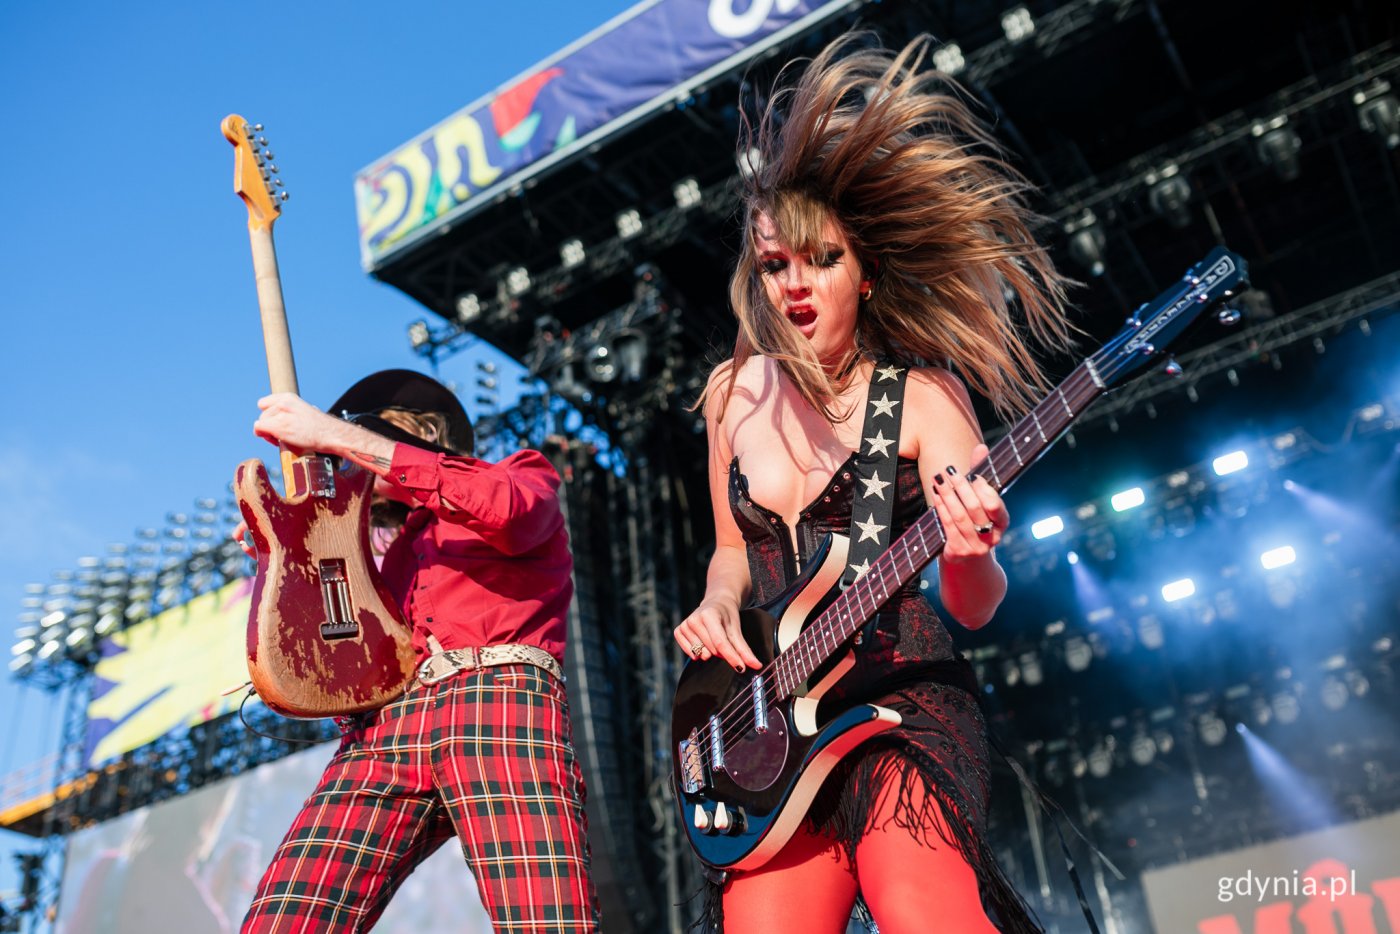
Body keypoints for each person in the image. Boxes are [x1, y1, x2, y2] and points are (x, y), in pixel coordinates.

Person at [672, 34, 1075, 934]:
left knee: (924, 912)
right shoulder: (731, 398)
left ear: (865, 269)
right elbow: (731, 550)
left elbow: (973, 605)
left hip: (902, 705)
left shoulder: (925, 400)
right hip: (774, 739)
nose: (796, 288)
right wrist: (712, 600)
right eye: (775, 267)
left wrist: (970, 551)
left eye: (820, 261)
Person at [236, 369, 599, 933]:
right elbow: (352, 662)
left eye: (362, 438)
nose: (346, 460)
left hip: (496, 697)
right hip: (386, 729)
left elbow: (507, 510)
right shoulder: (387, 556)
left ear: (417, 433)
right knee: (287, 918)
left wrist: (339, 437)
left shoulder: (519, 472)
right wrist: (283, 551)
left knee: (547, 918)